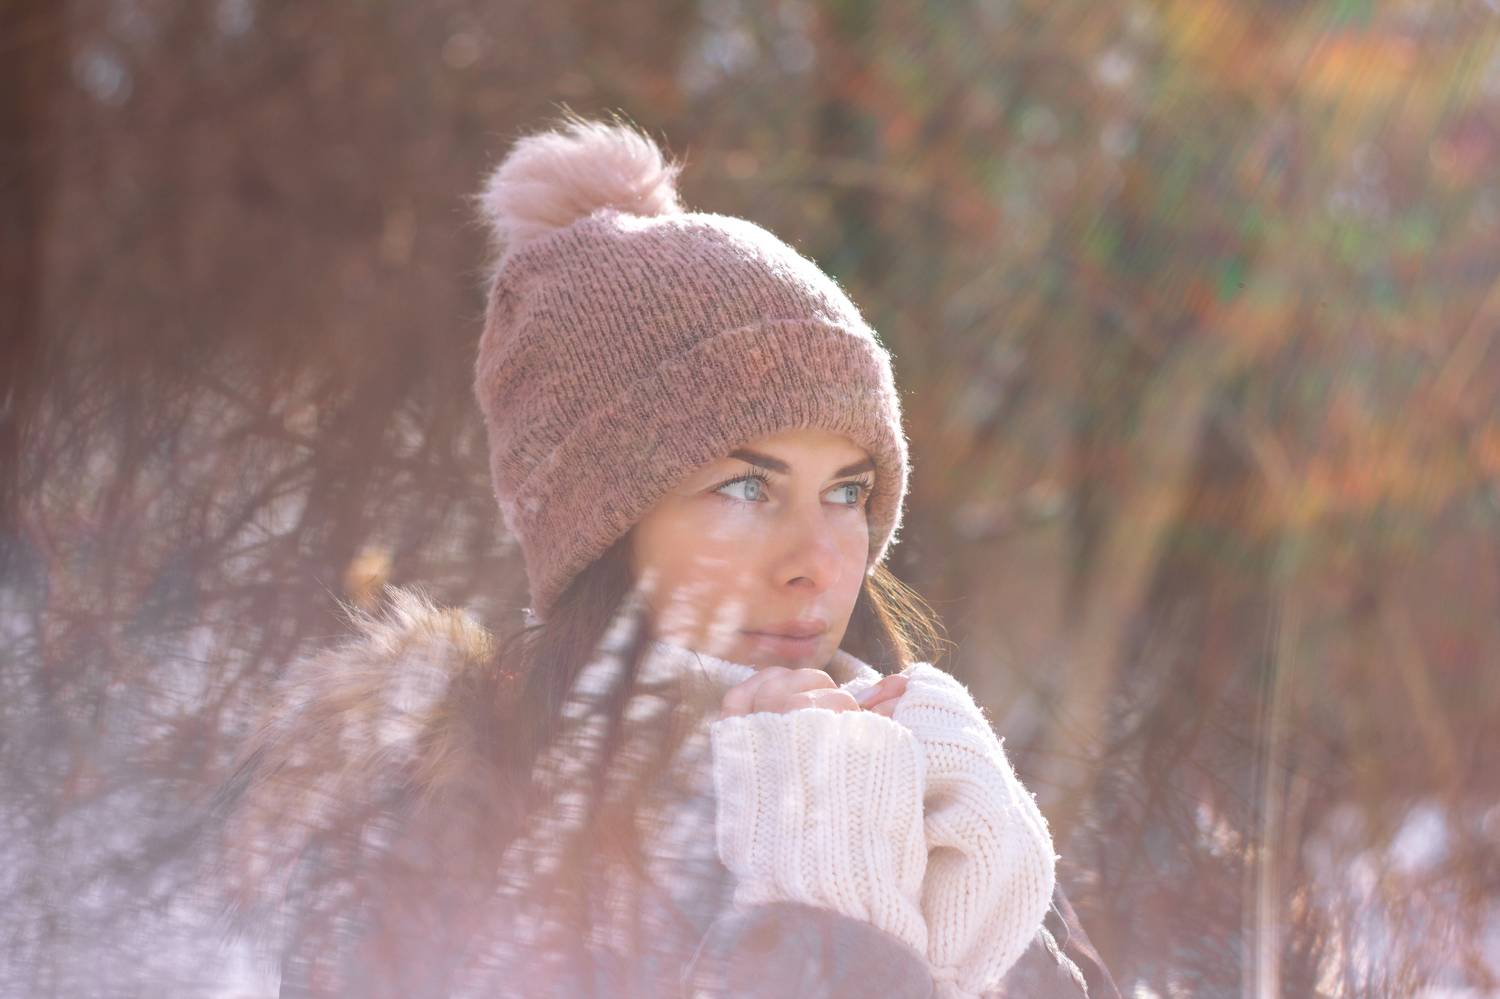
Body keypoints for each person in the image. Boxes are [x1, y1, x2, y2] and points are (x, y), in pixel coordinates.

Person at [209, 113, 1120, 998]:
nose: (816, 561)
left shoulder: (958, 810)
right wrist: (825, 909)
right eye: (746, 487)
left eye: (848, 492)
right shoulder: (432, 836)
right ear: (603, 524)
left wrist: (989, 910)